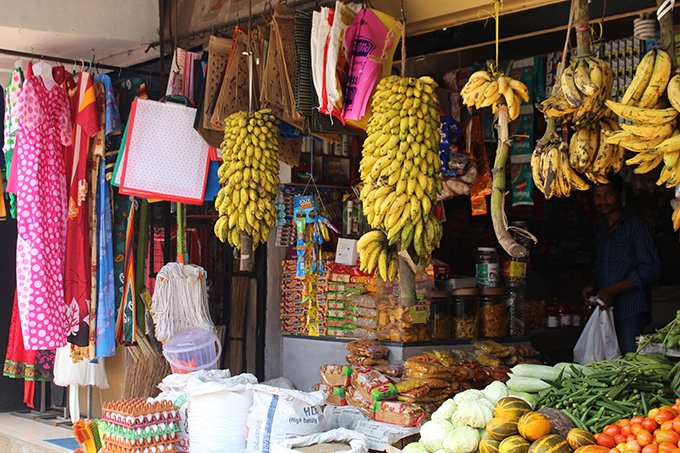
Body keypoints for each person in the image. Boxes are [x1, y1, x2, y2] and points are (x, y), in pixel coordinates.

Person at [582, 174, 661, 354]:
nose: (602, 201)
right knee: (605, 365)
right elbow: (601, 267)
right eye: (597, 196)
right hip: (605, 310)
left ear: (621, 194)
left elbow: (651, 268)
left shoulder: (637, 226)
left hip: (630, 311)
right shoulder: (602, 232)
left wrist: (613, 290)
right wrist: (593, 285)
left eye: (608, 194)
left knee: (630, 362)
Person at [432, 196, 475, 277]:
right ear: (446, 220)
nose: (460, 225)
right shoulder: (434, 247)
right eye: (456, 219)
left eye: (465, 220)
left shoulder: (465, 250)